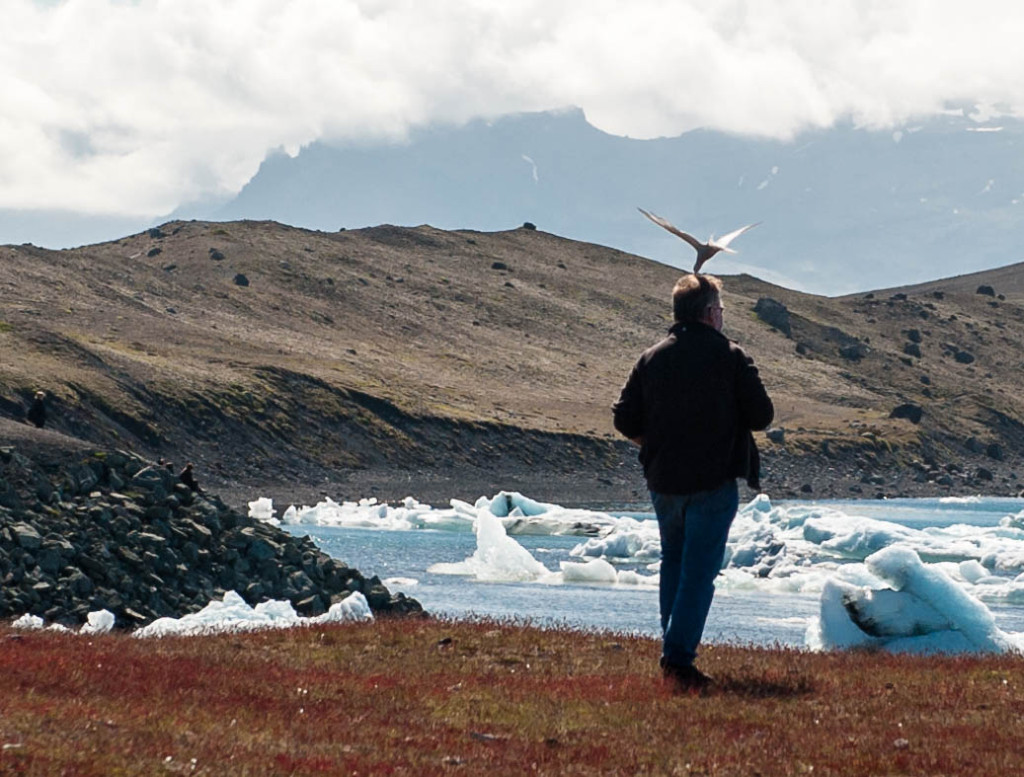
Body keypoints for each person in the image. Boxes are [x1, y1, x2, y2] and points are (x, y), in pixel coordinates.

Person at [612, 273, 774, 692]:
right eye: (720, 309)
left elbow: (624, 419)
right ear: (708, 313)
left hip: (663, 480)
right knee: (700, 573)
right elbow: (762, 416)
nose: (722, 316)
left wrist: (655, 443)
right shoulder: (731, 356)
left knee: (675, 563)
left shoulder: (651, 358)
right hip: (713, 480)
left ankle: (674, 650)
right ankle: (678, 659)